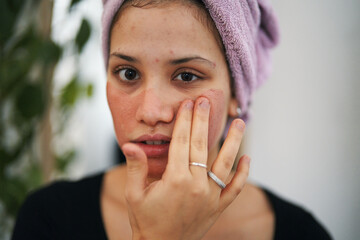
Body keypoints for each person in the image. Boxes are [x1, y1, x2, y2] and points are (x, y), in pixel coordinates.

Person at [12, 0, 332, 239]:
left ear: (237, 94)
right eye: (128, 73)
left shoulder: (302, 233)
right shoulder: (48, 218)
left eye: (187, 75)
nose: (151, 112)